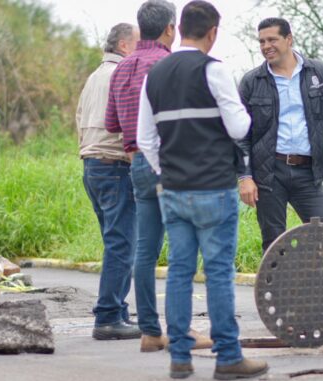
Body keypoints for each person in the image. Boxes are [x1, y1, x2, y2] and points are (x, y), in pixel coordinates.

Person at [137, 1, 268, 379]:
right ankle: (228, 357)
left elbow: (145, 139)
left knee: (179, 271)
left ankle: (180, 357)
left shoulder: (155, 75)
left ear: (178, 29)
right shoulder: (215, 70)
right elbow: (240, 128)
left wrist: (168, 169)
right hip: (214, 188)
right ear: (213, 32)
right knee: (218, 273)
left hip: (174, 190)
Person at [105, 0, 211, 352]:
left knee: (144, 250)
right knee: (185, 247)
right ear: (170, 29)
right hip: (174, 163)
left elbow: (112, 125)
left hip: (138, 163)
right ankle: (182, 329)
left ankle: (150, 330)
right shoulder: (171, 65)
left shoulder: (121, 69)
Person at [237, 17, 323, 254]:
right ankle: (276, 292)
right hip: (269, 173)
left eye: (272, 39)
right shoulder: (251, 82)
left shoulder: (317, 71)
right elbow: (240, 135)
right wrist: (244, 176)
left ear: (289, 39)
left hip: (308, 172)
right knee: (274, 245)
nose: (266, 46)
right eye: (262, 41)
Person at [76, 23, 141, 340]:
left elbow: (79, 119)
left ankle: (117, 312)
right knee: (122, 244)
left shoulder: (94, 77)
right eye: (139, 43)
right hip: (114, 165)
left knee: (116, 242)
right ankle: (107, 317)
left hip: (92, 165)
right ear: (125, 45)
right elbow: (126, 121)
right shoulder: (122, 74)